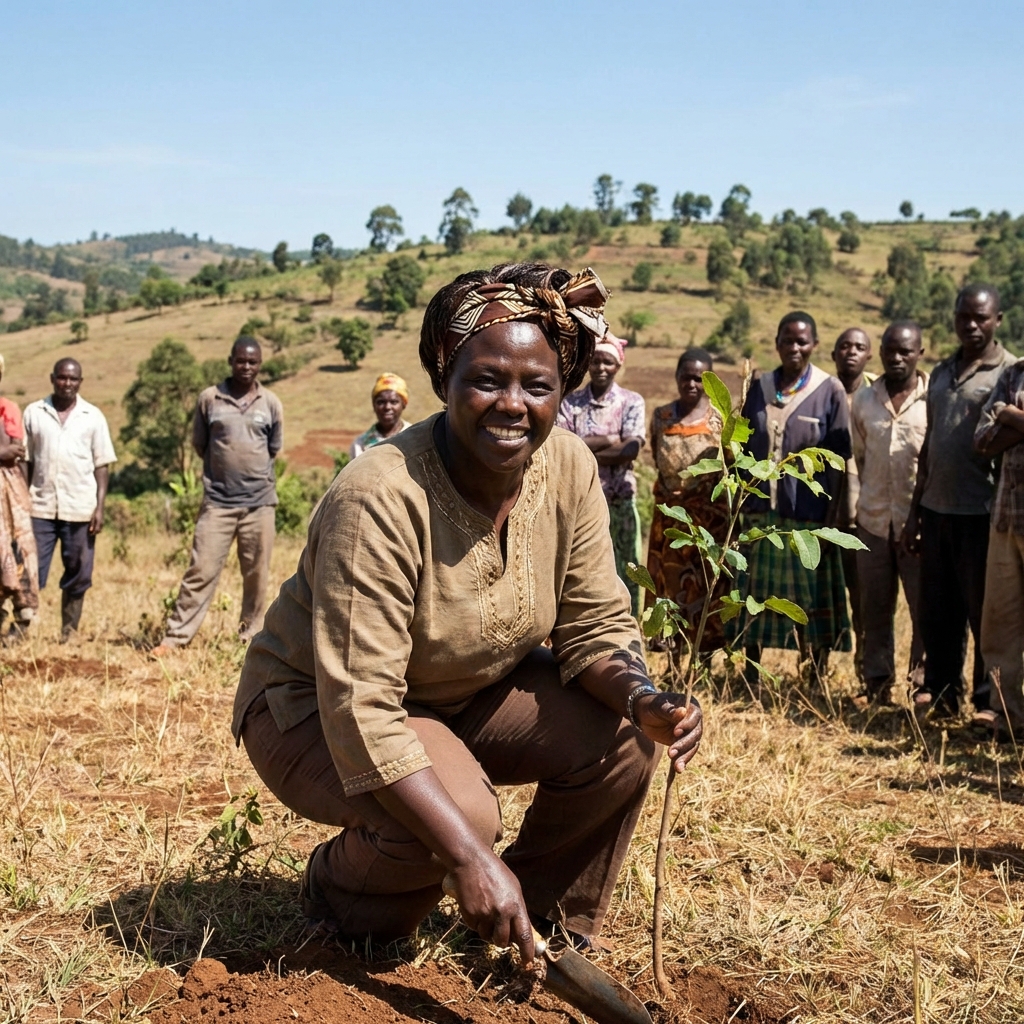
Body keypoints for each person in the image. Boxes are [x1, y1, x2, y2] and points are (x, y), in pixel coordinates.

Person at [232, 263, 703, 956]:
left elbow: (595, 624)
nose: (512, 404)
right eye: (486, 380)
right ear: (444, 378)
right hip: (313, 710)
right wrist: (465, 856)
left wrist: (643, 701)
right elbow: (361, 704)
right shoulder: (380, 496)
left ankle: (537, 927)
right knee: (457, 824)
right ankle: (339, 896)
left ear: (560, 391)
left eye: (537, 386)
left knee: (626, 736)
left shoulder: (568, 467)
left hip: (466, 692)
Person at [903, 284, 1018, 717]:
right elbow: (930, 444)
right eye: (963, 316)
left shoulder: (1007, 371)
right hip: (936, 509)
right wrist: (916, 509)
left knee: (984, 613)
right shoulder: (941, 371)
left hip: (982, 511)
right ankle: (942, 692)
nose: (971, 325)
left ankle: (988, 700)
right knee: (938, 610)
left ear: (998, 320)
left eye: (981, 317)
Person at [732, 311, 852, 681]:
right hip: (758, 512)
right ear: (777, 344)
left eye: (802, 341)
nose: (795, 348)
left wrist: (834, 519)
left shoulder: (830, 390)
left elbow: (839, 460)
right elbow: (741, 446)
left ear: (814, 345)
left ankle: (813, 674)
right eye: (788, 340)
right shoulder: (759, 386)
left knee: (808, 601)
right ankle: (751, 674)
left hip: (808, 518)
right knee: (753, 594)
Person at [150, 337, 283, 657]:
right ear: (230, 361)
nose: (246, 367)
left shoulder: (270, 403)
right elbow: (200, 444)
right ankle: (175, 638)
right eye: (241, 361)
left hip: (259, 504)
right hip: (218, 503)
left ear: (260, 365)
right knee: (202, 570)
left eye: (252, 362)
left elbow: (274, 448)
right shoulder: (210, 399)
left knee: (256, 574)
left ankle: (249, 635)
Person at [851, 322, 928, 704]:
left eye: (905, 352)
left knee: (923, 610)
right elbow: (860, 458)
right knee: (875, 609)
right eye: (890, 351)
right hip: (873, 521)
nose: (897, 359)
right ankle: (877, 684)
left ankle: (922, 686)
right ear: (879, 352)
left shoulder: (934, 400)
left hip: (919, 526)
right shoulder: (864, 401)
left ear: (920, 354)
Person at [23, 358, 116, 639]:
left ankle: (69, 632)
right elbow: (26, 462)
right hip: (39, 506)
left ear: (80, 382)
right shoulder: (34, 413)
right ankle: (21, 627)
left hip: (80, 508)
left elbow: (102, 465)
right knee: (28, 569)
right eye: (62, 378)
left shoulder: (93, 416)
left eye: (73, 379)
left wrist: (99, 507)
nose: (67, 383)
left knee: (79, 571)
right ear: (52, 378)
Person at [557, 332, 646, 614]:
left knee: (626, 566)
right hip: (579, 502)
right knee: (579, 569)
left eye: (607, 361)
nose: (600, 367)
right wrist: (609, 440)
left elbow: (630, 450)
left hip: (619, 501)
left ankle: (628, 623)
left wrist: (583, 447)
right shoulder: (570, 402)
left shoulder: (632, 402)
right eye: (595, 361)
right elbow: (562, 447)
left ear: (618, 365)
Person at [645, 348, 727, 649]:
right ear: (677, 377)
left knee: (704, 586)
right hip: (668, 516)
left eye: (698, 378)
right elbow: (656, 456)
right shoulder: (661, 416)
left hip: (708, 519)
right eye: (685, 377)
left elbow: (726, 464)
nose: (691, 384)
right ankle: (671, 653)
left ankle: (701, 655)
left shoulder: (719, 419)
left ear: (708, 380)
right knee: (669, 583)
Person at [974, 352, 1024, 737]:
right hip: (1006, 519)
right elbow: (983, 439)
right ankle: (1008, 716)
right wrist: (1005, 415)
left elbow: (999, 426)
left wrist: (1011, 415)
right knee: (1001, 624)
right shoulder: (1014, 373)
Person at [831, 328, 875, 681]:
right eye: (844, 346)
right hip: (827, 516)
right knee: (824, 599)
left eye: (859, 347)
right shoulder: (822, 392)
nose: (851, 352)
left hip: (867, 516)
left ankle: (866, 672)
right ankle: (815, 669)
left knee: (864, 603)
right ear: (832, 353)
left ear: (869, 356)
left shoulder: (876, 393)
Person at [0, 354, 39, 642]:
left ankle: (22, 616)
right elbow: (9, 452)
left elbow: (18, 452)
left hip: (11, 491)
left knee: (19, 549)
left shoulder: (8, 409)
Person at [349, 373, 412, 459]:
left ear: (403, 404)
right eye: (381, 402)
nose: (387, 407)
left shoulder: (414, 438)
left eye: (394, 402)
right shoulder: (360, 445)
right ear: (373, 405)